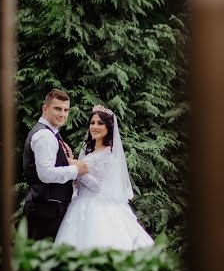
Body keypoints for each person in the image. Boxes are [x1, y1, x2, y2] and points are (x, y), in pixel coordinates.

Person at [54, 104, 154, 251]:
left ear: (109, 128)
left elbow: (96, 186)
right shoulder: (90, 152)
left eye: (100, 123)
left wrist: (76, 167)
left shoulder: (108, 154)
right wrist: (73, 163)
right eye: (92, 123)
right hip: (80, 205)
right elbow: (80, 180)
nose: (95, 126)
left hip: (96, 209)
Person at [23, 89, 88, 240]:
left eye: (66, 110)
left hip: (47, 209)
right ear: (45, 109)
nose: (63, 114)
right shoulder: (45, 136)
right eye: (58, 108)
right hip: (46, 211)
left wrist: (67, 161)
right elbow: (45, 174)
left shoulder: (51, 134)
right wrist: (75, 169)